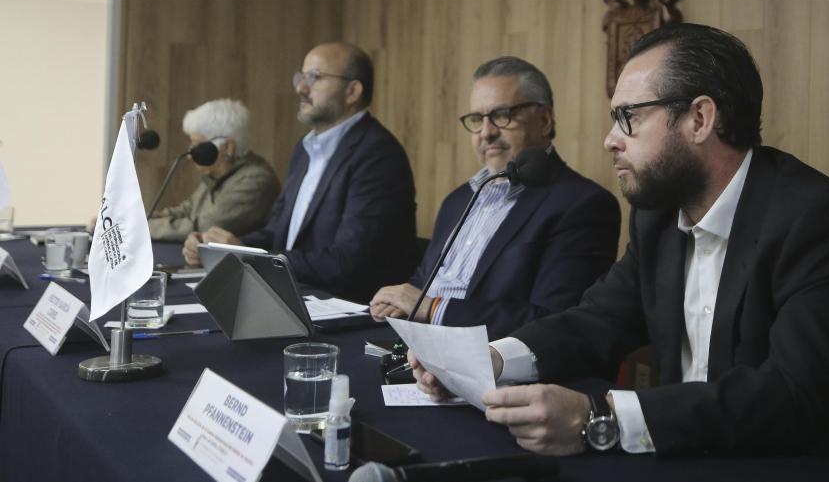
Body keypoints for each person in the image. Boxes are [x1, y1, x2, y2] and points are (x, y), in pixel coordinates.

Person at [410, 24, 829, 482]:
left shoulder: (815, 220)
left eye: (628, 117)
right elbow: (597, 320)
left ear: (700, 119)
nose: (610, 140)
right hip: (693, 458)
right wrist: (492, 359)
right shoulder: (659, 217)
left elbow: (791, 395)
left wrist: (600, 416)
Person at [370, 57, 620, 338]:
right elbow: (425, 282)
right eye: (477, 119)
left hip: (490, 358)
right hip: (415, 344)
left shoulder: (583, 204)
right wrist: (395, 302)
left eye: (502, 115)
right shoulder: (457, 200)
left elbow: (554, 321)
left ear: (544, 120)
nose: (486, 132)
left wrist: (433, 309)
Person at [183, 42, 417, 302]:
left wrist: (250, 257)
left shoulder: (377, 155)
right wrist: (220, 247)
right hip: (294, 295)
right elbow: (277, 233)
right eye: (301, 77)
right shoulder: (304, 150)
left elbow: (347, 262)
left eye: (315, 77)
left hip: (346, 306)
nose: (300, 88)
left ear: (352, 91)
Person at [145, 99, 279, 242]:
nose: (190, 155)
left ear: (228, 147)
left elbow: (204, 226)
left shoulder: (255, 181)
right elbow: (186, 211)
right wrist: (139, 221)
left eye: (198, 146)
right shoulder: (218, 174)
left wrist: (143, 228)